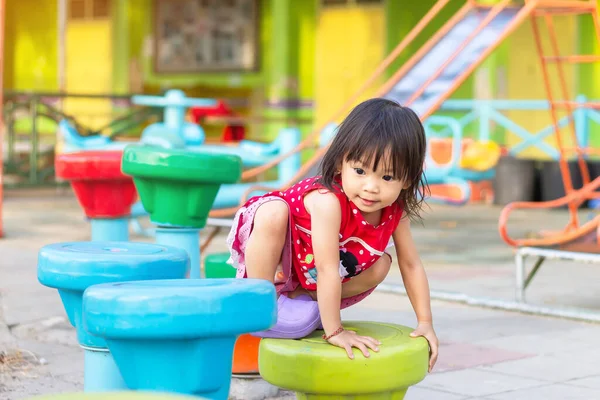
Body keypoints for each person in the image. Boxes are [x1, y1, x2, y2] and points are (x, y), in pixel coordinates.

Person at [226, 98, 439, 372]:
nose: (371, 187)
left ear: (407, 179)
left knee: (382, 264)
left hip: (313, 274)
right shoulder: (328, 201)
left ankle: (302, 301)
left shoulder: (395, 209)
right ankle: (259, 300)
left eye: (387, 178)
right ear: (341, 163)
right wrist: (335, 331)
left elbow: (411, 264)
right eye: (360, 171)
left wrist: (425, 323)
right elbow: (327, 269)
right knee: (272, 212)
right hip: (283, 255)